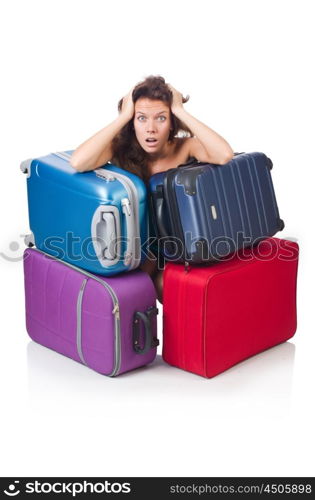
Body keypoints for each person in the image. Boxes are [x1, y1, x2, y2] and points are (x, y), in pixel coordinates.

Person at [70, 75, 234, 303]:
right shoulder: (121, 149)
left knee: (167, 286)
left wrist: (180, 110)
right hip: (139, 247)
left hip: (182, 246)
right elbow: (78, 162)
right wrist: (124, 116)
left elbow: (224, 155)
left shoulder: (184, 146)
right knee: (132, 291)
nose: (151, 129)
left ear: (172, 122)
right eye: (141, 118)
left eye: (161, 118)